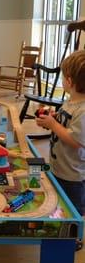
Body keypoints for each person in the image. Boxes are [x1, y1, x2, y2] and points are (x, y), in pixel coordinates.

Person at [36, 50, 85, 218]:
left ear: (69, 81)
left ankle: (74, 236)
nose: (62, 80)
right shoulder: (72, 101)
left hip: (73, 174)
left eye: (63, 77)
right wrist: (55, 118)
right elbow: (67, 123)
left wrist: (53, 125)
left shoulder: (83, 110)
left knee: (73, 207)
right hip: (61, 167)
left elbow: (76, 140)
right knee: (62, 201)